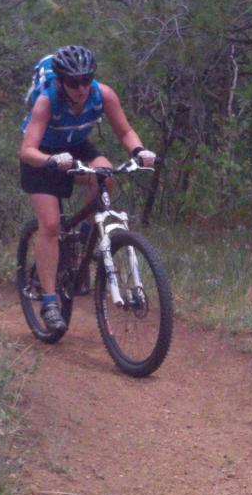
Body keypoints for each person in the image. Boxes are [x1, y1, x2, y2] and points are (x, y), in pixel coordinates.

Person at [19, 45, 156, 333]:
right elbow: (27, 150)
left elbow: (125, 131)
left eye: (86, 79)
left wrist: (139, 151)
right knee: (51, 225)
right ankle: (49, 301)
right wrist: (51, 160)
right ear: (60, 81)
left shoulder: (102, 94)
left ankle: (82, 242)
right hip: (43, 155)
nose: (81, 88)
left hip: (75, 146)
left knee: (105, 175)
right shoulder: (47, 102)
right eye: (73, 82)